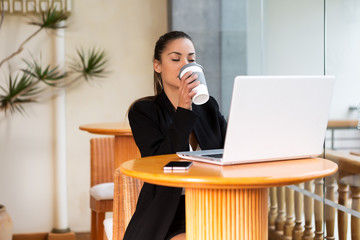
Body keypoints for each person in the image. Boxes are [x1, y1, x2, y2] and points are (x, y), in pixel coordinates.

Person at [125, 31, 227, 240]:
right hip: (170, 210)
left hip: (213, 201)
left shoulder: (209, 107)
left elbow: (232, 149)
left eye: (191, 59)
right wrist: (183, 109)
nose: (185, 65)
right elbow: (160, 162)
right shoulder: (143, 111)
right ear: (157, 66)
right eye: (175, 58)